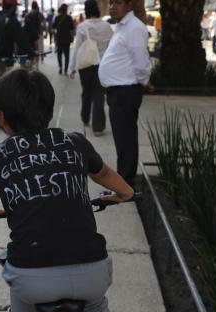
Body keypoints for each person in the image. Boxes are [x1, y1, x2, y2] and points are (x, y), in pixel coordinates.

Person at [0, 68, 135, 312]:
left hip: (33, 280)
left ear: (1, 116)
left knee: (14, 270)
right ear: (49, 112)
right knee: (96, 306)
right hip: (91, 274)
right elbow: (104, 176)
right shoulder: (74, 142)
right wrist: (124, 193)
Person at [98, 0, 151, 188]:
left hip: (126, 91)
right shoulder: (122, 26)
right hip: (118, 91)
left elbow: (141, 61)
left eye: (118, 2)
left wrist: (143, 82)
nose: (112, 6)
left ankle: (126, 182)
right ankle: (124, 179)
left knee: (126, 137)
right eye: (111, 2)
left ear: (129, 5)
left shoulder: (134, 28)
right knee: (122, 137)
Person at [0, 0, 31, 129]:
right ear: (13, 7)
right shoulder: (11, 19)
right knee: (4, 90)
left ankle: (1, 118)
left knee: (1, 87)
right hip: (3, 59)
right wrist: (29, 52)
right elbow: (21, 38)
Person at [69, 0, 112, 136]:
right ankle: (98, 127)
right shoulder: (107, 27)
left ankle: (85, 117)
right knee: (99, 95)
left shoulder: (83, 27)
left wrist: (72, 68)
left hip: (86, 65)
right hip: (103, 65)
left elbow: (77, 49)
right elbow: (112, 48)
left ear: (87, 10)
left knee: (86, 92)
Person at [52, 3, 74, 75]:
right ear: (66, 9)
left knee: (59, 54)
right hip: (67, 39)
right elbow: (72, 29)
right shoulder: (69, 18)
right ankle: (65, 70)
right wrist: (72, 37)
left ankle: (60, 68)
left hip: (59, 39)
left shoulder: (57, 18)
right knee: (67, 56)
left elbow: (53, 28)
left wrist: (55, 37)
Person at [24, 1, 44, 69]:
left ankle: (32, 64)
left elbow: (25, 25)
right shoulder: (40, 14)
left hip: (30, 35)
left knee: (32, 49)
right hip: (38, 34)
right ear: (37, 6)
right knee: (37, 50)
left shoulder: (28, 15)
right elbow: (43, 23)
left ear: (32, 6)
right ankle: (37, 66)